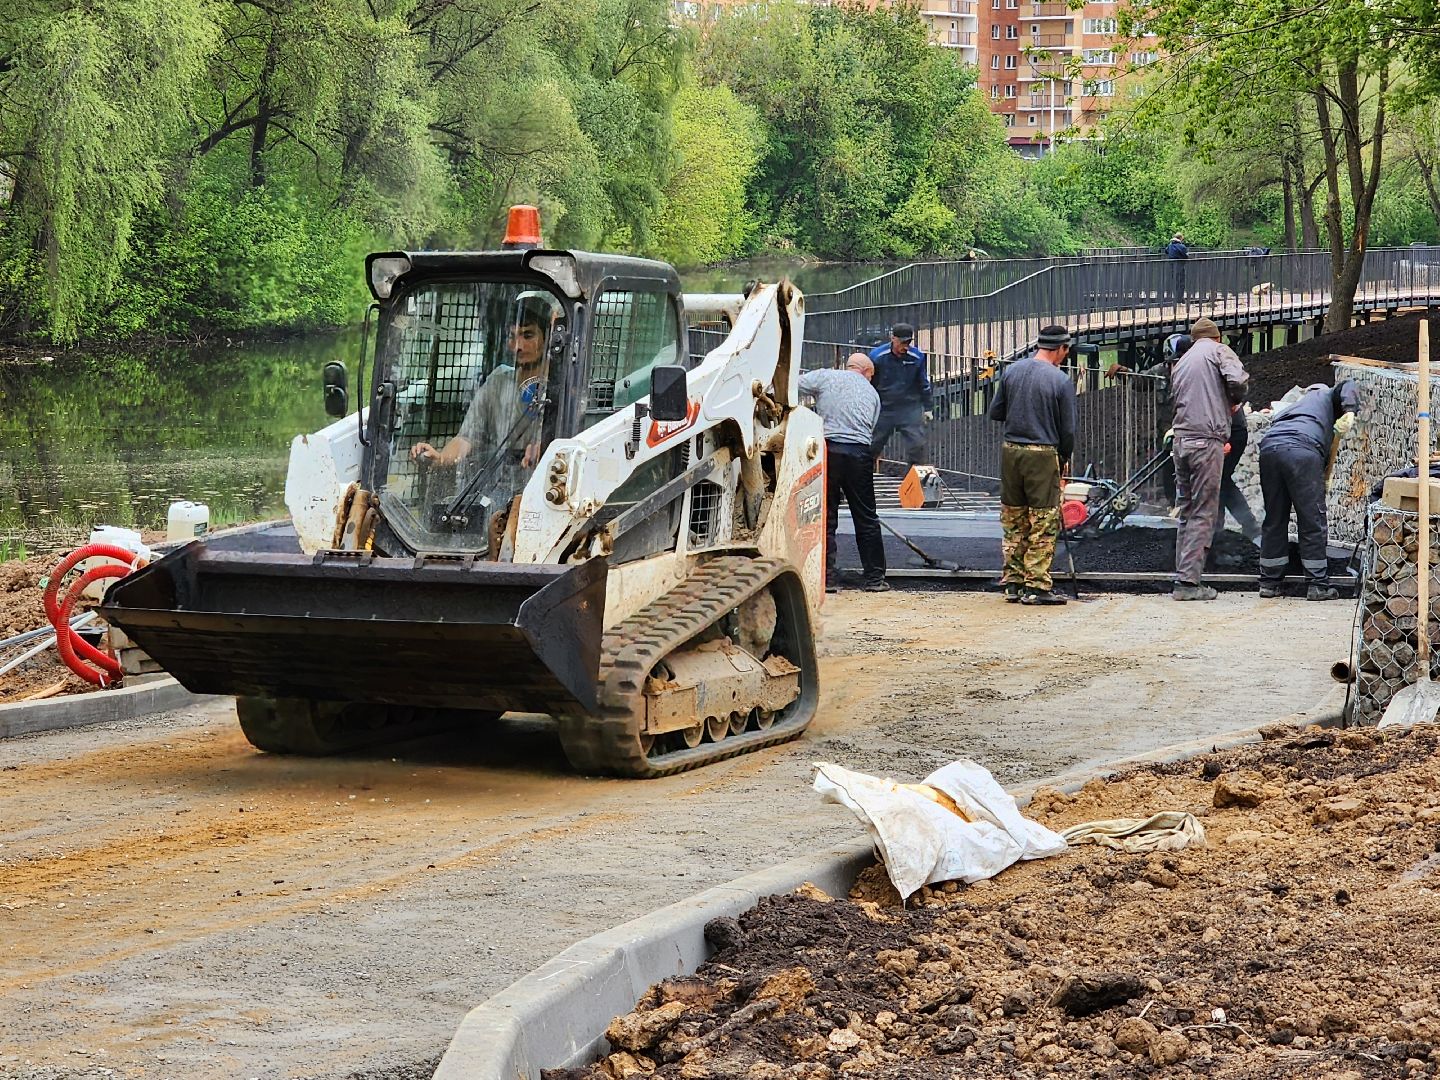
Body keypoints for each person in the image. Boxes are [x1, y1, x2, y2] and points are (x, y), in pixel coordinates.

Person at [410, 297, 555, 498]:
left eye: (527, 335)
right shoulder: (498, 381)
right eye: (512, 337)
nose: (517, 346)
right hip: (498, 489)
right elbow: (467, 436)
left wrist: (547, 448)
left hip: (546, 491)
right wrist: (440, 458)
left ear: (548, 336)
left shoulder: (563, 385)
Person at [988, 324, 1078, 606]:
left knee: (1013, 519)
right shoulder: (1060, 380)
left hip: (1010, 451)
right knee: (1043, 520)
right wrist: (1063, 459)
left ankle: (1013, 583)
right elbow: (1068, 432)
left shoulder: (1012, 371)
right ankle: (1037, 586)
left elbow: (996, 412)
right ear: (1062, 348)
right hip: (1042, 454)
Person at [1168, 316, 1249, 600]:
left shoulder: (1182, 362)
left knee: (1187, 510)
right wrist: (1233, 399)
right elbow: (1238, 380)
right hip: (1206, 441)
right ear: (1217, 337)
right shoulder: (1218, 351)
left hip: (1181, 442)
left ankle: (1182, 576)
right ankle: (1190, 584)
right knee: (1204, 510)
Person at [1257, 380, 1359, 601]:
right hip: (1301, 450)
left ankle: (1269, 583)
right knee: (1311, 518)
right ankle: (1317, 584)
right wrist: (1350, 410)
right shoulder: (1325, 396)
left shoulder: (1294, 408)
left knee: (1275, 518)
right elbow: (1348, 384)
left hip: (1270, 449)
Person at [799, 354, 888, 594]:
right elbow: (870, 428)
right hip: (858, 453)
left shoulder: (827, 376)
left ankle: (825, 578)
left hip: (827, 451)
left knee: (825, 515)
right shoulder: (873, 394)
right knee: (866, 517)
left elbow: (794, 385)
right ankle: (874, 578)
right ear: (868, 372)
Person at [868, 322, 932, 467]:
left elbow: (923, 382)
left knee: (917, 446)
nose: (905, 347)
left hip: (909, 408)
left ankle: (914, 484)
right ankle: (863, 478)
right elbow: (870, 384)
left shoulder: (917, 357)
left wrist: (928, 407)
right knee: (872, 445)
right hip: (884, 409)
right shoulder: (877, 357)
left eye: (908, 343)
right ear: (893, 339)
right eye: (902, 343)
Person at [1166, 232, 1189, 304]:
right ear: (1180, 238)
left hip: (1172, 266)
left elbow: (1166, 251)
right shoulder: (1182, 246)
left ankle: (1178, 298)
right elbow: (1185, 256)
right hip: (1180, 266)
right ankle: (1179, 299)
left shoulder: (1170, 245)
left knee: (1175, 282)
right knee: (1181, 283)